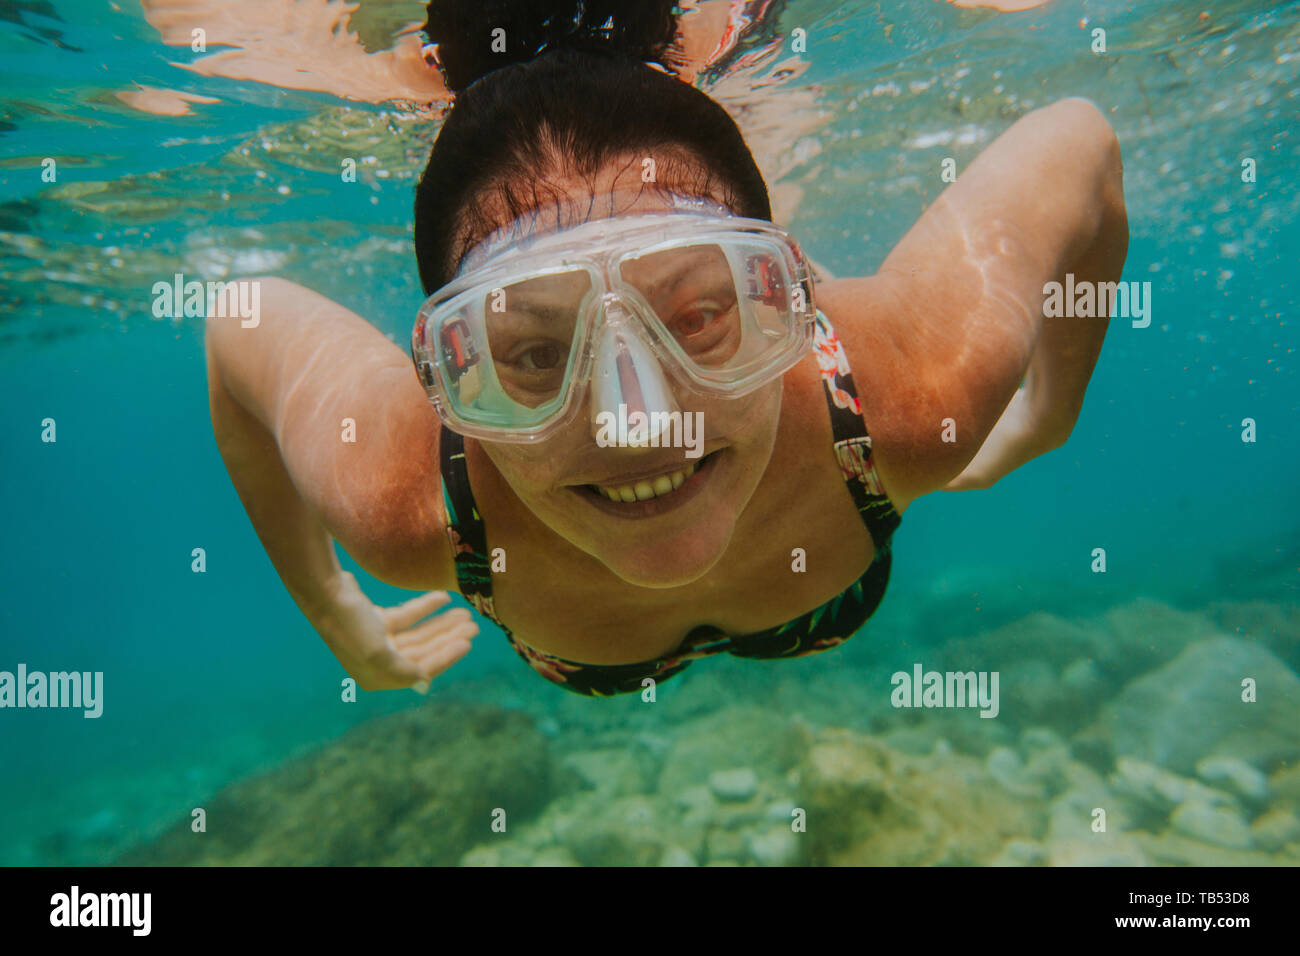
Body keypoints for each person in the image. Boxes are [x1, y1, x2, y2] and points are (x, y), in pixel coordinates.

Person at [205, 0, 1128, 697]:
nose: (636, 425)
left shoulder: (916, 395)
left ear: (793, 297)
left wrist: (1045, 418)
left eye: (696, 320)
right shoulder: (410, 503)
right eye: (533, 354)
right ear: (448, 373)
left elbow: (1082, 141)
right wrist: (333, 611)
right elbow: (233, 318)